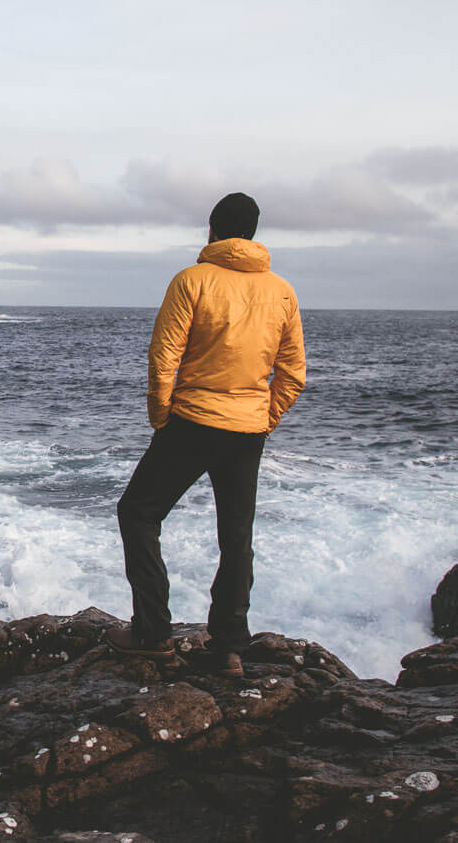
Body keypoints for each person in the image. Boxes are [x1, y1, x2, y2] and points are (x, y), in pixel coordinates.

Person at [105, 192, 306, 678]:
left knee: (137, 513)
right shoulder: (282, 291)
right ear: (253, 234)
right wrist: (263, 417)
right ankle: (229, 648)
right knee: (236, 537)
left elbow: (163, 359)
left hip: (191, 421)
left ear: (212, 229)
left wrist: (161, 417)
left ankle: (153, 633)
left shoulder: (191, 280)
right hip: (247, 431)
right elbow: (294, 373)